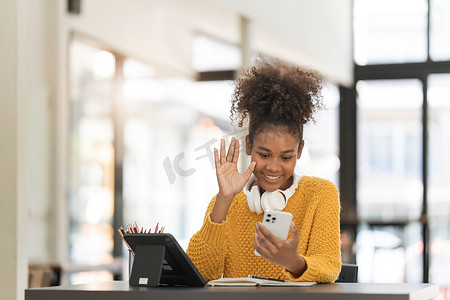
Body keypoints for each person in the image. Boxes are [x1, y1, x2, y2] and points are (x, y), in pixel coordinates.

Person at [186, 58, 341, 283]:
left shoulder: (320, 194)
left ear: (300, 151)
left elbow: (329, 266)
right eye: (264, 155)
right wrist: (225, 198)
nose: (273, 167)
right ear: (249, 146)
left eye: (286, 157)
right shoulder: (226, 203)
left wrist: (293, 261)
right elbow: (199, 273)